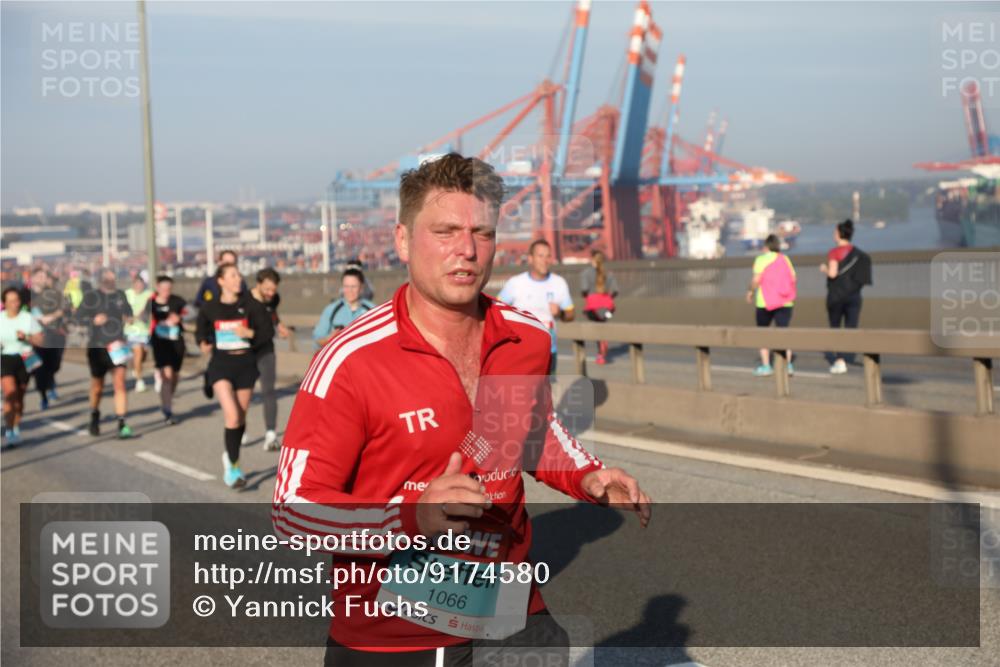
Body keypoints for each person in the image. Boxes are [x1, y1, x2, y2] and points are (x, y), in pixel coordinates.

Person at [274, 153, 650, 666]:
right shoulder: (350, 362)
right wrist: (408, 518)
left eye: (482, 232)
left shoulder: (527, 335)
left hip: (509, 613)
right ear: (403, 240)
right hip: (393, 635)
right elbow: (294, 511)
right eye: (446, 231)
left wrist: (586, 475)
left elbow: (531, 428)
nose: (467, 250)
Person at [196, 263, 273, 488]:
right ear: (221, 281)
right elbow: (201, 328)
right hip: (221, 365)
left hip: (246, 365)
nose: (238, 279)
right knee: (231, 415)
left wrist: (249, 333)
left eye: (238, 275)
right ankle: (234, 467)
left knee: (240, 417)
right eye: (232, 275)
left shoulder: (251, 305)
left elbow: (266, 332)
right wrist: (203, 342)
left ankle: (230, 455)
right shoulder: (211, 307)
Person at [497, 238, 575, 374]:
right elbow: (496, 310)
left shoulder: (559, 283)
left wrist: (561, 313)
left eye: (548, 256)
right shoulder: (515, 283)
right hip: (521, 352)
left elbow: (571, 314)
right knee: (522, 393)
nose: (545, 260)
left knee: (547, 393)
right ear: (530, 259)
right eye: (540, 256)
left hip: (549, 351)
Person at [75, 268, 135, 438]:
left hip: (117, 345)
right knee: (97, 387)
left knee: (120, 383)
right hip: (97, 346)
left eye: (113, 278)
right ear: (101, 280)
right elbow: (78, 317)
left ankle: (122, 422)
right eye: (108, 278)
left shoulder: (120, 295)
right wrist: (93, 320)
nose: (111, 281)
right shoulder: (92, 296)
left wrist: (129, 318)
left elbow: (129, 314)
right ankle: (94, 414)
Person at [820, 219, 872, 375]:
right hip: (854, 296)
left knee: (836, 328)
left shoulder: (834, 252)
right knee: (851, 326)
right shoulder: (859, 254)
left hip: (836, 297)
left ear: (839, 234)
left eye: (834, 232)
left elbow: (833, 273)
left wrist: (824, 269)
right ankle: (854, 353)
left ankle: (840, 360)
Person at [249, 267, 290, 451]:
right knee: (244, 393)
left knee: (269, 391)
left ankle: (271, 435)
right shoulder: (245, 300)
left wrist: (279, 325)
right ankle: (239, 427)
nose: (270, 293)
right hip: (246, 352)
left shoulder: (273, 298)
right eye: (267, 289)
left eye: (273, 290)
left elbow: (272, 313)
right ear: (258, 284)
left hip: (266, 349)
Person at [747, 234, 797, 377]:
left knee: (763, 334)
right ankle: (788, 365)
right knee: (784, 333)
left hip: (765, 302)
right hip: (785, 301)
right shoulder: (785, 259)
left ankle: (766, 366)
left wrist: (750, 292)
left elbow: (756, 280)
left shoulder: (761, 259)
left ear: (766, 246)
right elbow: (793, 278)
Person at [1, 288, 43, 446]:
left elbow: (41, 341)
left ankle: (16, 425)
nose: (14, 304)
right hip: (5, 357)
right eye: (10, 301)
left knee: (19, 398)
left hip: (25, 358)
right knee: (10, 394)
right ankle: (9, 430)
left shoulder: (28, 318)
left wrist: (26, 337)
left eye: (16, 300)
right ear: (4, 303)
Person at [147, 275, 187, 424]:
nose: (166, 291)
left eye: (168, 288)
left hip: (177, 341)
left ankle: (167, 397)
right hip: (160, 342)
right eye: (163, 288)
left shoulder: (177, 301)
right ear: (157, 288)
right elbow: (141, 317)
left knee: (175, 375)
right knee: (167, 374)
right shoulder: (151, 303)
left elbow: (192, 312)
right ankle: (167, 410)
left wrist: (180, 318)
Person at [29, 268, 69, 409]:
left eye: (44, 276)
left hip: (55, 334)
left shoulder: (54, 293)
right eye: (39, 276)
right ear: (33, 278)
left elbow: (65, 308)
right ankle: (44, 396)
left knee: (54, 365)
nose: (42, 279)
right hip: (35, 337)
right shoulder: (26, 295)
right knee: (40, 368)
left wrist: (51, 317)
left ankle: (51, 381)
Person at [311, 267, 375, 348]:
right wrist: (329, 339)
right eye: (346, 286)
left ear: (361, 288)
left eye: (353, 286)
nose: (349, 290)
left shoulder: (372, 310)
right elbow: (316, 341)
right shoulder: (331, 310)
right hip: (338, 359)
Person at [580, 248, 619, 365]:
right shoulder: (609, 274)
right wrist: (608, 299)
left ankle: (601, 352)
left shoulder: (586, 273)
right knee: (603, 323)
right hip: (608, 309)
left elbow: (584, 290)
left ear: (592, 259)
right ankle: (603, 344)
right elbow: (616, 290)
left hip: (593, 309)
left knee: (597, 328)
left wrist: (588, 297)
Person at [124, 274, 153, 392]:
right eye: (137, 284)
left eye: (141, 284)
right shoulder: (127, 294)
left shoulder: (149, 294)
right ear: (133, 284)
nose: (139, 286)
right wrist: (126, 318)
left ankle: (135, 368)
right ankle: (139, 380)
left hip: (145, 329)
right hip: (130, 330)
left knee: (142, 355)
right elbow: (120, 309)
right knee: (138, 351)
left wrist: (145, 314)